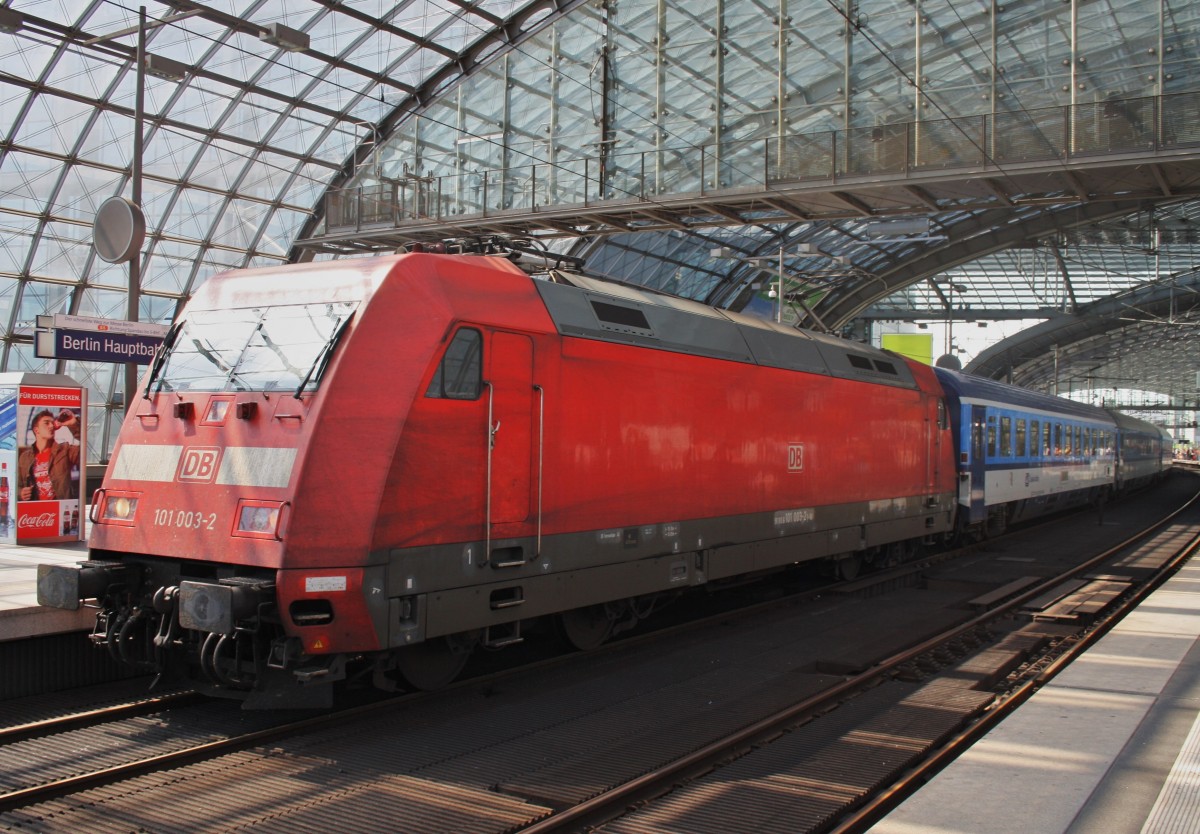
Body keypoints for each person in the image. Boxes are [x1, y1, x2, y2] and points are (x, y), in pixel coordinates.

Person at [18, 409, 81, 501]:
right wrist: (20, 493)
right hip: (35, 507)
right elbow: (17, 484)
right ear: (36, 430)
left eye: (52, 423)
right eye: (46, 423)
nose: (51, 426)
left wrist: (73, 424)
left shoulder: (65, 450)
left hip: (59, 506)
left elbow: (85, 451)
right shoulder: (24, 457)